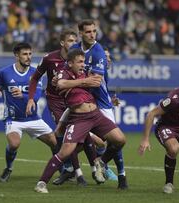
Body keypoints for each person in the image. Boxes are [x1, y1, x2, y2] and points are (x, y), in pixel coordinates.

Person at [34, 49, 126, 193]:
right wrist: (84, 82)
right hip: (79, 118)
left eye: (84, 61)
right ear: (70, 63)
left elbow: (98, 80)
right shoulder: (64, 73)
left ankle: (100, 163)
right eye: (80, 62)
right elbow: (62, 84)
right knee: (65, 152)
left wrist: (103, 65)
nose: (83, 65)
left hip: (96, 115)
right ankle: (41, 183)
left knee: (120, 139)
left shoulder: (85, 72)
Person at [0, 42, 57, 182]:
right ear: (16, 55)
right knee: (14, 144)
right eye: (25, 54)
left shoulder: (35, 74)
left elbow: (36, 96)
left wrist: (23, 96)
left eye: (30, 54)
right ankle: (8, 168)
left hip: (33, 118)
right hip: (13, 119)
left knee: (55, 143)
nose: (28, 57)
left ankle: (61, 169)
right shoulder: (5, 73)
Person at [26, 28, 101, 186]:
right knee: (69, 133)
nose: (74, 43)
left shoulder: (80, 60)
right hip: (56, 101)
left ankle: (85, 169)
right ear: (62, 43)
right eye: (70, 41)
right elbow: (34, 78)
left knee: (82, 132)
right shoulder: (49, 59)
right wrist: (31, 98)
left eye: (75, 40)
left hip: (74, 100)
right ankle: (79, 173)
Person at [62, 19, 128, 188]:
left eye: (94, 31)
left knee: (116, 140)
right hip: (81, 102)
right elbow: (66, 73)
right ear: (81, 33)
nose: (92, 34)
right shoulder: (75, 50)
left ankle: (118, 174)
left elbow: (97, 82)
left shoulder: (98, 51)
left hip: (100, 102)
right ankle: (69, 168)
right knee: (61, 135)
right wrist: (60, 79)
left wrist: (72, 82)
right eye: (88, 31)